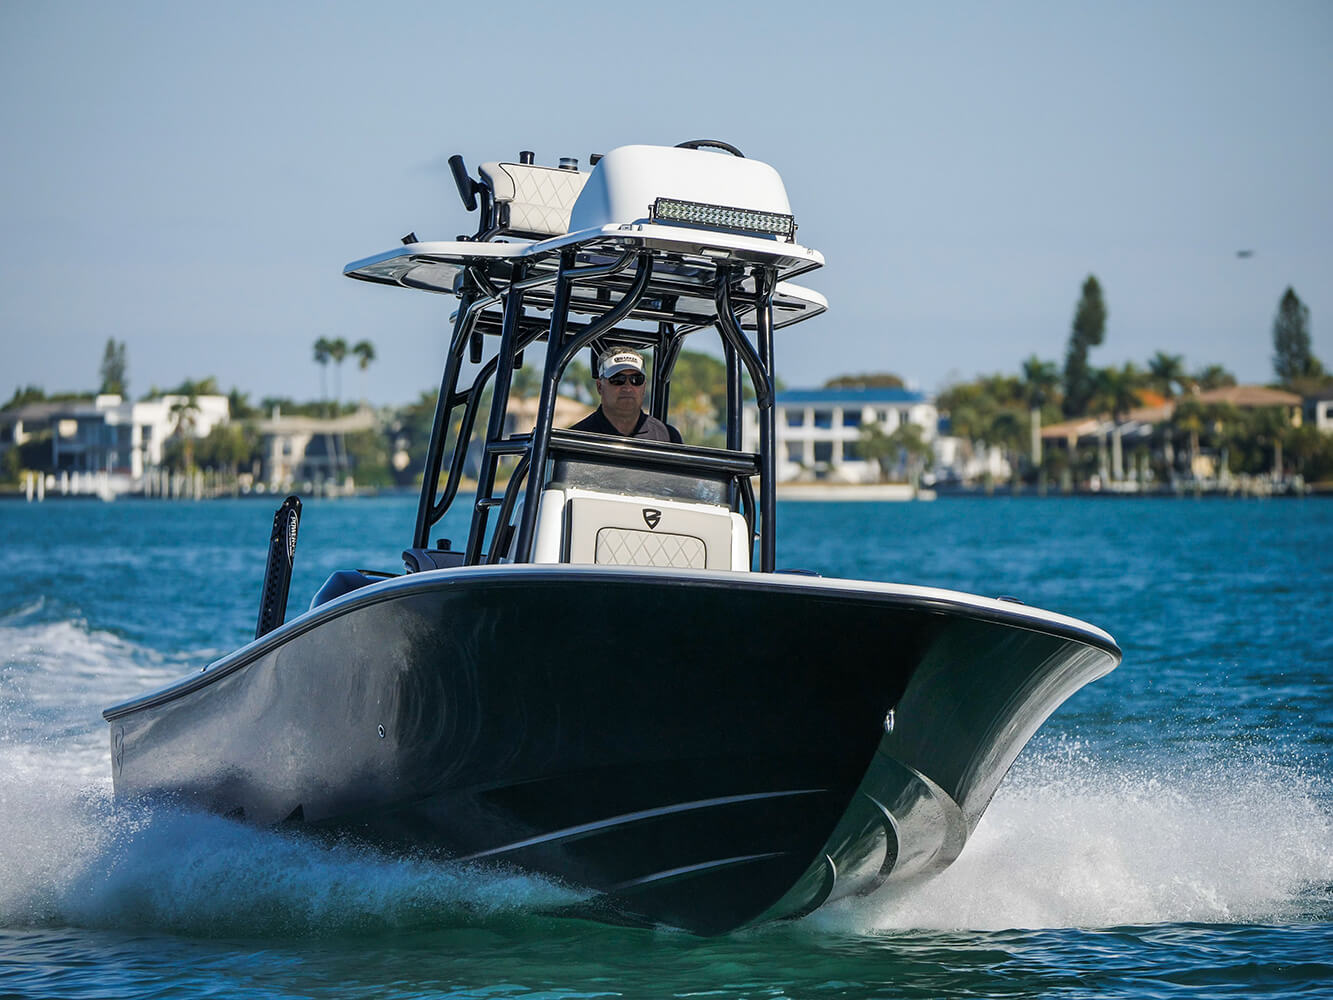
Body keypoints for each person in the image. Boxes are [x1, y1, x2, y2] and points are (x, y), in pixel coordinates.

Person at [570, 348, 683, 443]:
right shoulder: (574, 439)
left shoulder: (668, 437)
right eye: (618, 379)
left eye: (636, 379)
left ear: (644, 387)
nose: (628, 387)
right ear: (600, 387)